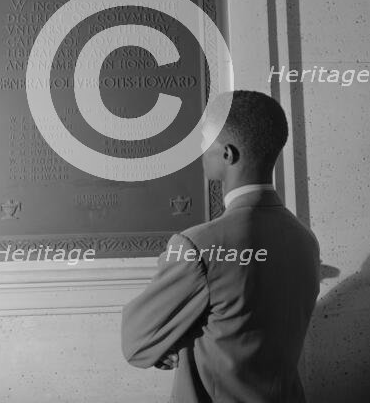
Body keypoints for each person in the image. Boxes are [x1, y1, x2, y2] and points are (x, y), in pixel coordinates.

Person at [121, 90, 320, 402]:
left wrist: (175, 337)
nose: (200, 150)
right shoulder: (305, 239)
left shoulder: (195, 246)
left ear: (228, 154)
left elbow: (136, 344)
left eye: (203, 139)